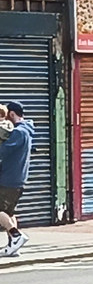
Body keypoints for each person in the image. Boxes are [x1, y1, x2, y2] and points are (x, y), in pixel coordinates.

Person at [0, 101, 34, 257]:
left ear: (12, 114)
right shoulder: (26, 130)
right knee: (10, 212)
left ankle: (16, 235)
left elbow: (3, 152)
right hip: (18, 179)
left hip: (9, 179)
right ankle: (13, 246)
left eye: (7, 115)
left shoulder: (18, 132)